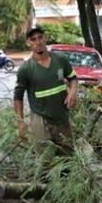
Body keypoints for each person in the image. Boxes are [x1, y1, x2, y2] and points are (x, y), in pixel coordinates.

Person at [13, 26, 78, 155]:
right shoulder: (26, 69)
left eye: (40, 37)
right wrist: (20, 122)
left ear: (45, 38)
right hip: (40, 118)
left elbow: (73, 78)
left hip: (62, 116)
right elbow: (18, 97)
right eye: (33, 39)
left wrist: (73, 91)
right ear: (28, 43)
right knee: (45, 161)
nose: (38, 42)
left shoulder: (60, 59)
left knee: (67, 157)